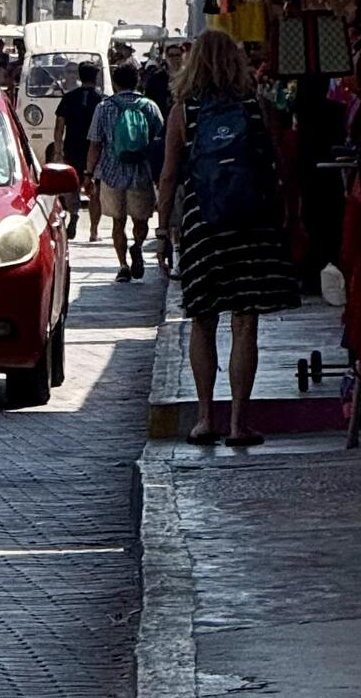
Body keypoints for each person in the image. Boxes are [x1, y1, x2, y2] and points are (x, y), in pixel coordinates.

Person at [155, 29, 299, 446]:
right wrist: (290, 212)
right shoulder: (257, 107)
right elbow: (282, 164)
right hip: (251, 224)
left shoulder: (184, 112)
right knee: (244, 322)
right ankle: (239, 422)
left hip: (204, 226)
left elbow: (168, 176)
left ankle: (204, 419)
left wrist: (164, 231)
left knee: (202, 321)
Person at [88, 59, 164, 282]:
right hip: (142, 173)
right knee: (141, 220)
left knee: (117, 222)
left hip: (111, 174)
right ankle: (138, 245)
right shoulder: (150, 107)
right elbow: (160, 142)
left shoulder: (104, 107)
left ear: (115, 82)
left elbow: (95, 143)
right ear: (137, 80)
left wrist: (89, 173)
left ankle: (122, 266)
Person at [51, 61, 105, 242]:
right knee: (94, 190)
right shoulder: (102, 99)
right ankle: (94, 231)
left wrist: (58, 150)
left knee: (72, 187)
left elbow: (59, 127)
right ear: (96, 77)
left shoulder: (69, 98)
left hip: (72, 147)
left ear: (80, 76)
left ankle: (73, 215)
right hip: (94, 149)